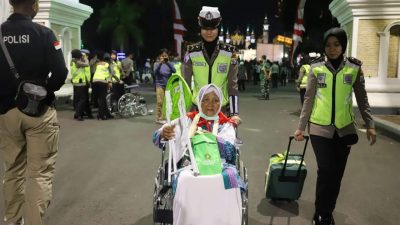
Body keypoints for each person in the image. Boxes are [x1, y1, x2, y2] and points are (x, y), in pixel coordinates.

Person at [293, 27, 377, 225]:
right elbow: (309, 99)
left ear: (343, 46)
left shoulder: (354, 68)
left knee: (337, 175)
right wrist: (301, 127)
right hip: (319, 129)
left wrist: (370, 123)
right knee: (326, 170)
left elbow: (362, 99)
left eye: (336, 44)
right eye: (328, 45)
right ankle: (321, 214)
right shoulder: (316, 68)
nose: (332, 49)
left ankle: (327, 212)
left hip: (344, 130)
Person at [0, 0, 68, 224]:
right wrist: (45, 92)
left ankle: (12, 220)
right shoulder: (44, 34)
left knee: (12, 170)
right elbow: (60, 71)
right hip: (38, 113)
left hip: (6, 113)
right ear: (34, 5)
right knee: (39, 173)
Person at [152, 84, 244, 225]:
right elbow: (156, 138)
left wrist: (210, 139)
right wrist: (164, 134)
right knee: (184, 179)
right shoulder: (186, 120)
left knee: (231, 179)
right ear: (199, 102)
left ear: (220, 103)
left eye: (215, 100)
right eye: (205, 100)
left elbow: (231, 153)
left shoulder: (226, 124)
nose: (210, 104)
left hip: (221, 165)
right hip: (189, 165)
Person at [182, 6, 241, 125]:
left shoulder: (229, 52)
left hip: (222, 112)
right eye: (205, 28)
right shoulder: (191, 52)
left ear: (218, 29)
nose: (209, 32)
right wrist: (182, 111)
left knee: (224, 143)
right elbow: (185, 85)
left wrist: (234, 114)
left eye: (213, 28)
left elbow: (232, 86)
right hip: (196, 111)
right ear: (200, 29)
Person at [154, 48, 176, 124]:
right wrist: (160, 63)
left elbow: (174, 70)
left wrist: (167, 62)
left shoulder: (170, 64)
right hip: (159, 85)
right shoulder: (156, 64)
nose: (164, 57)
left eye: (165, 56)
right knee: (160, 102)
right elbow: (155, 72)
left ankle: (166, 117)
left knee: (168, 102)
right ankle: (159, 118)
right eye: (162, 56)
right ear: (160, 56)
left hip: (168, 85)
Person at [70, 49, 92, 121]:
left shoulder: (73, 61)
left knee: (79, 99)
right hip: (80, 83)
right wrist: (85, 58)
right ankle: (78, 114)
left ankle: (78, 114)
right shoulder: (77, 62)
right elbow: (87, 64)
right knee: (82, 99)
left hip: (76, 83)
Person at [92, 52, 115, 120]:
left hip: (95, 81)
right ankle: (101, 115)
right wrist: (110, 82)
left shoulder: (98, 64)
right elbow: (112, 73)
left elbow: (93, 71)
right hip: (102, 81)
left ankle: (107, 114)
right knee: (102, 98)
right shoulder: (108, 64)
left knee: (101, 99)